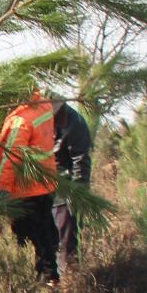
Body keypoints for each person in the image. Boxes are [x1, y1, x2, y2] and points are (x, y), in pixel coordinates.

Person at [0, 90, 61, 282]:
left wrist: (3, 188)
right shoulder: (44, 106)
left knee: (26, 237)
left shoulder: (21, 121)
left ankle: (34, 279)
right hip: (45, 183)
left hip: (25, 189)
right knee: (45, 232)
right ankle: (51, 276)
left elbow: (12, 157)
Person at [51, 97, 93, 274]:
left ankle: (69, 275)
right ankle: (51, 274)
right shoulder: (36, 121)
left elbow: (80, 161)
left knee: (66, 225)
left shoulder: (75, 123)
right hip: (44, 180)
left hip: (67, 180)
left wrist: (76, 194)